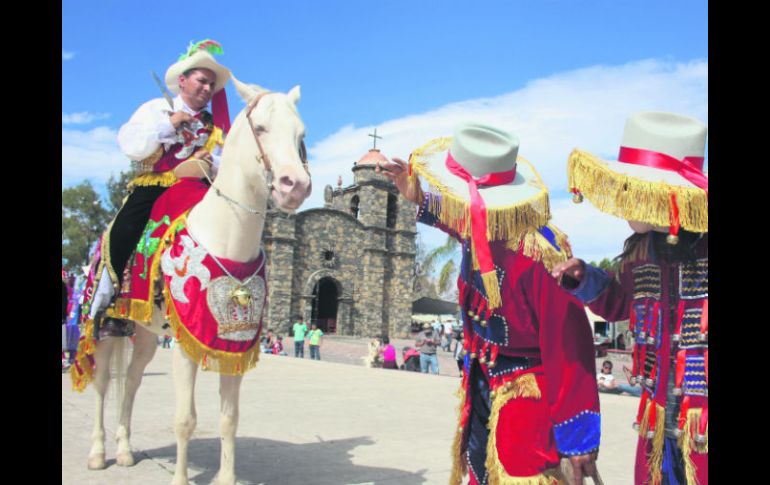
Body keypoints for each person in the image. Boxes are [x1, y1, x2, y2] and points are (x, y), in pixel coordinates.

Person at [379, 122, 600, 483]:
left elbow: (571, 348)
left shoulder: (542, 255)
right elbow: (458, 223)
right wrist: (417, 196)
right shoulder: (478, 227)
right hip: (482, 381)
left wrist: (579, 439)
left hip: (525, 398)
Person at [551, 112, 708, 485]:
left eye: (634, 192)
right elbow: (620, 303)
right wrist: (583, 278)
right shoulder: (640, 254)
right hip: (656, 414)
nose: (625, 205)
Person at [87, 39, 232, 338]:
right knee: (127, 226)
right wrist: (168, 126)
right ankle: (111, 300)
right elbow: (130, 144)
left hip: (198, 187)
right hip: (158, 183)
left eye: (211, 84)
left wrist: (210, 160)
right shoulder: (156, 109)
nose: (207, 89)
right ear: (183, 80)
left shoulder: (214, 126)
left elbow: (225, 161)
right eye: (201, 81)